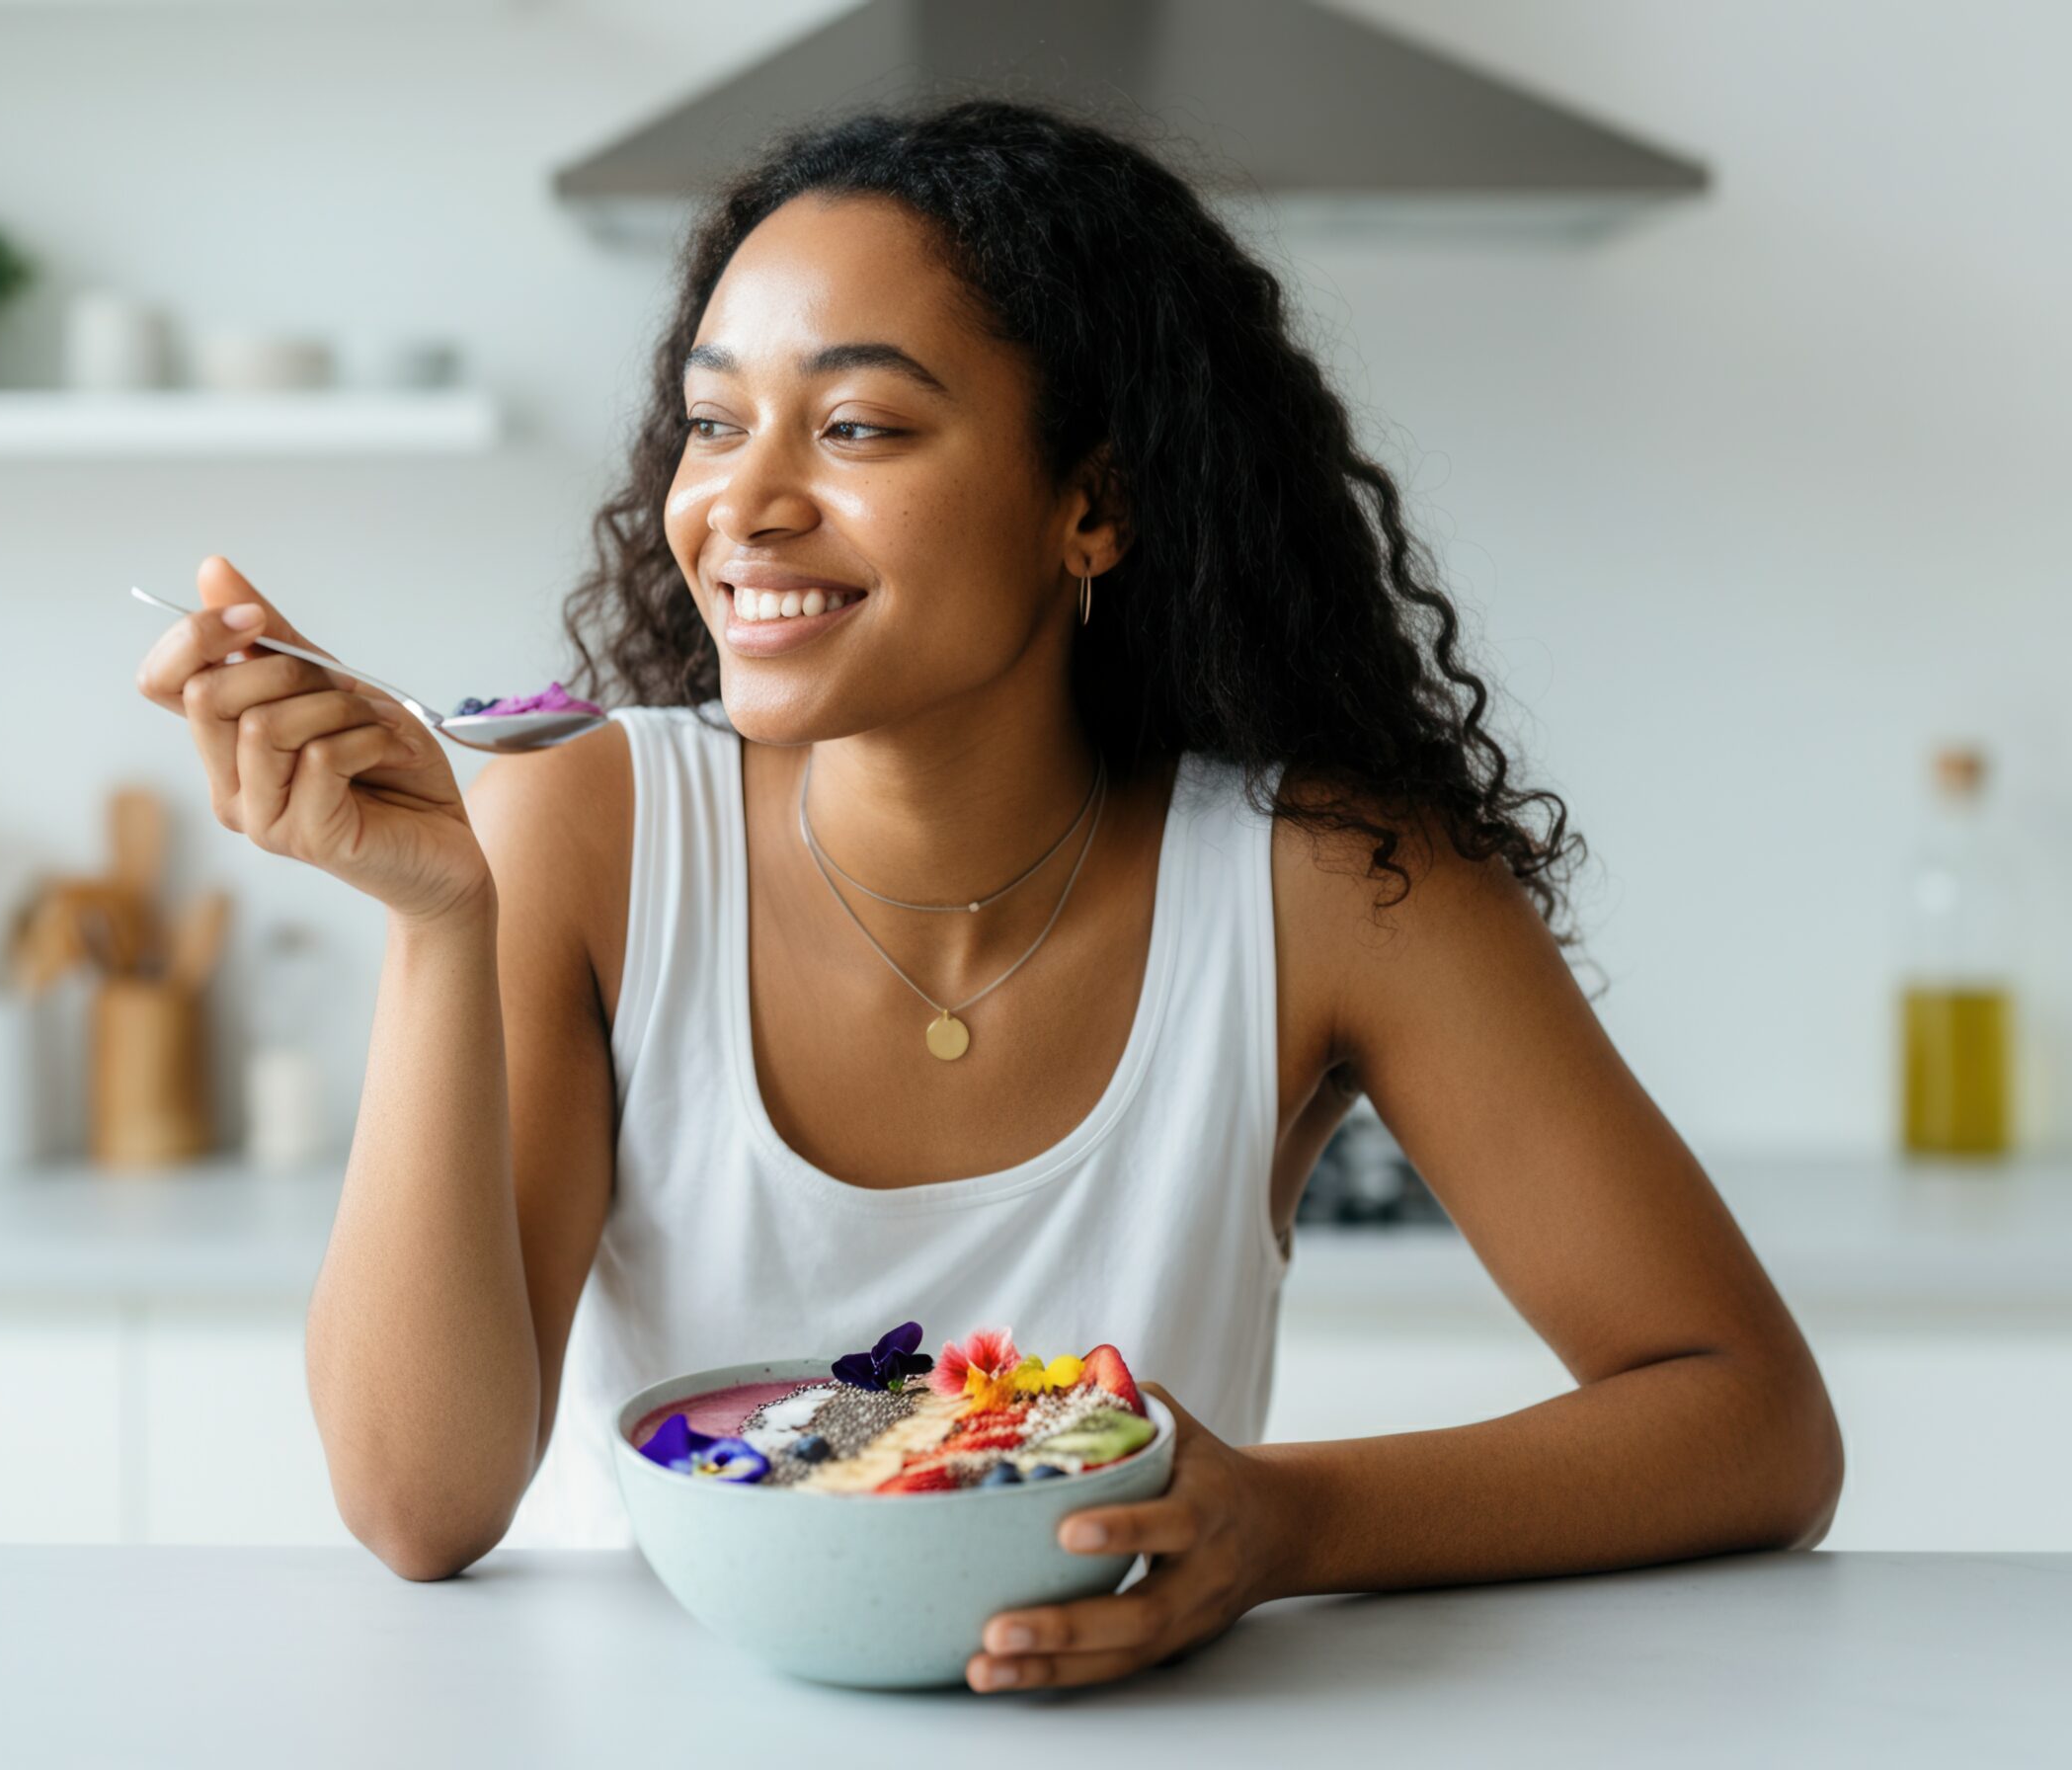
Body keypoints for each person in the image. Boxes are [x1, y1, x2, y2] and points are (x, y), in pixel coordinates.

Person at [134, 98, 1840, 1695]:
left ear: (1090, 503)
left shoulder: (1331, 882)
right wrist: (440, 919)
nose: (744, 502)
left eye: (859, 424)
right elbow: (419, 1510)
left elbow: (1751, 1422)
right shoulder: (582, 828)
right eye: (717, 421)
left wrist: (1291, 1524)